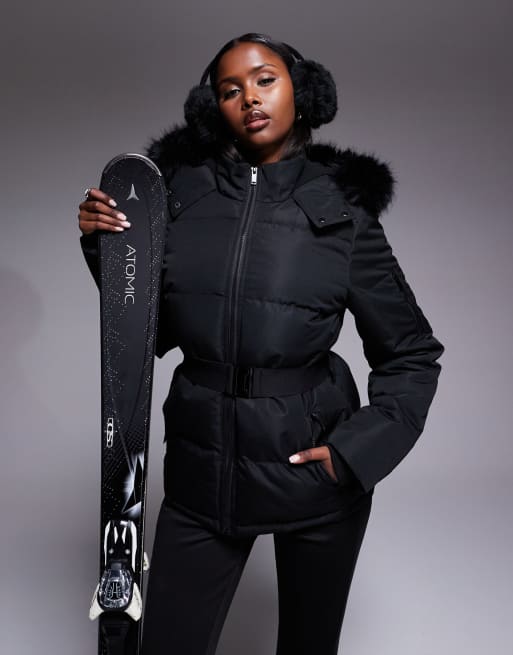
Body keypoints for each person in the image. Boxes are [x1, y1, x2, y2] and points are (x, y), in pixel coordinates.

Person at [78, 32, 444, 655]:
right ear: (214, 109)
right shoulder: (179, 200)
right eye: (230, 89)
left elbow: (411, 353)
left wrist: (354, 454)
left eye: (265, 80)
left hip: (316, 482)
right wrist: (110, 248)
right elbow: (150, 334)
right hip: (200, 475)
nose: (249, 97)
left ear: (302, 92)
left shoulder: (342, 212)